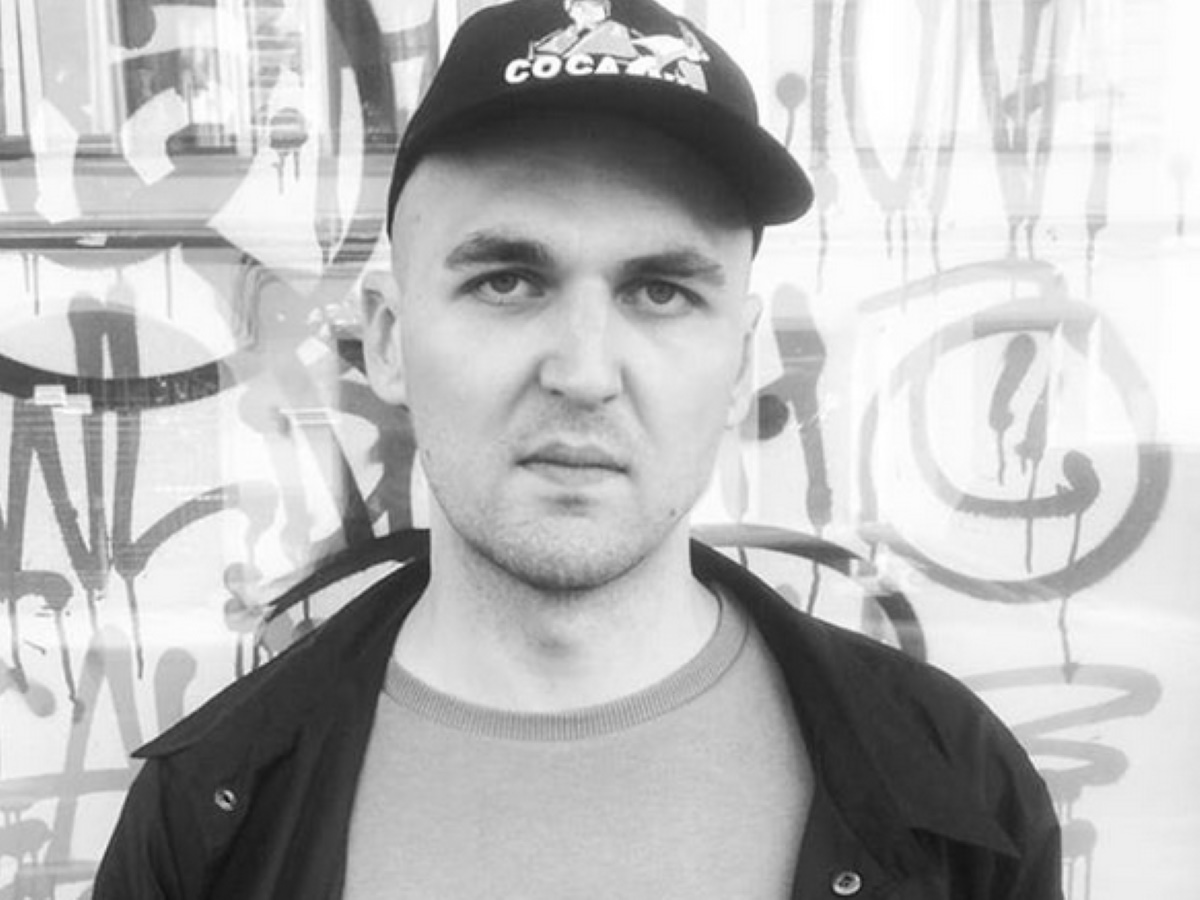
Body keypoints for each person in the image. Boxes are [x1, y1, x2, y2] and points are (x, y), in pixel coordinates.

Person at [93, 1, 1062, 898]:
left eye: (661, 291)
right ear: (388, 340)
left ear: (741, 362)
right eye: (508, 281)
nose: (585, 371)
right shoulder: (209, 815)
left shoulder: (959, 788)